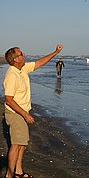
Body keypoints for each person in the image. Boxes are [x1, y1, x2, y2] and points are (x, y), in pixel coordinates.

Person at [3, 44, 63, 178]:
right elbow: (8, 100)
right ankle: (9, 175)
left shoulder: (22, 68)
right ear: (15, 59)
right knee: (16, 144)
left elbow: (39, 63)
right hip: (16, 113)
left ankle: (18, 172)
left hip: (22, 112)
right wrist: (24, 114)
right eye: (20, 54)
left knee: (22, 144)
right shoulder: (12, 75)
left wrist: (55, 52)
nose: (23, 54)